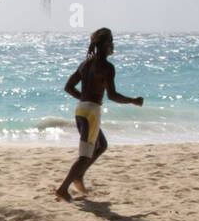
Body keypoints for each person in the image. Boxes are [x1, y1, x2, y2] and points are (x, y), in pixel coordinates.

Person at [55, 27, 143, 202]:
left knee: (101, 145)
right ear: (104, 45)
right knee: (84, 155)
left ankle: (79, 177)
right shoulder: (107, 67)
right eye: (111, 42)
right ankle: (63, 188)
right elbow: (112, 95)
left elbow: (68, 87)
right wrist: (132, 100)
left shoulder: (85, 64)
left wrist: (85, 98)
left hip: (81, 110)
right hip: (91, 114)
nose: (113, 45)